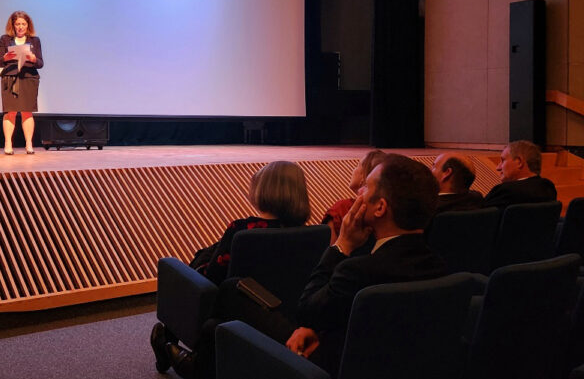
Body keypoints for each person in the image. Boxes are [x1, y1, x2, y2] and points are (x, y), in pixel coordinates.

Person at [209, 155, 447, 376]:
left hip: (321, 366)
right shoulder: (442, 269)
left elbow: (307, 312)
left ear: (380, 208)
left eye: (367, 187)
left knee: (223, 307)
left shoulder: (357, 271)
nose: (360, 191)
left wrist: (341, 245)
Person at [151, 160, 311, 376]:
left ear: (262, 190)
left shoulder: (241, 230)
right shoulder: (311, 234)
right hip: (279, 313)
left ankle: (167, 345)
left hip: (232, 308)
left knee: (192, 273)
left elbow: (212, 278)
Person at [0, 11, 44, 155]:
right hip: (10, 78)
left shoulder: (35, 40)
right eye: (18, 24)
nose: (21, 27)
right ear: (13, 25)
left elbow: (40, 63)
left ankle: (29, 144)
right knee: (10, 112)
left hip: (29, 78)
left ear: (28, 25)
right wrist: (5, 57)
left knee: (27, 112)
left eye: (23, 24)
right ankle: (8, 143)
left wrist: (33, 59)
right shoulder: (5, 39)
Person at [320, 149, 387, 245]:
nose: (353, 170)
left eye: (357, 166)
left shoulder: (342, 208)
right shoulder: (386, 210)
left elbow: (330, 250)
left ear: (364, 175)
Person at [482, 140, 557, 209]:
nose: (498, 167)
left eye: (503, 160)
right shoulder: (548, 187)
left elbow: (480, 218)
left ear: (519, 162)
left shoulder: (505, 191)